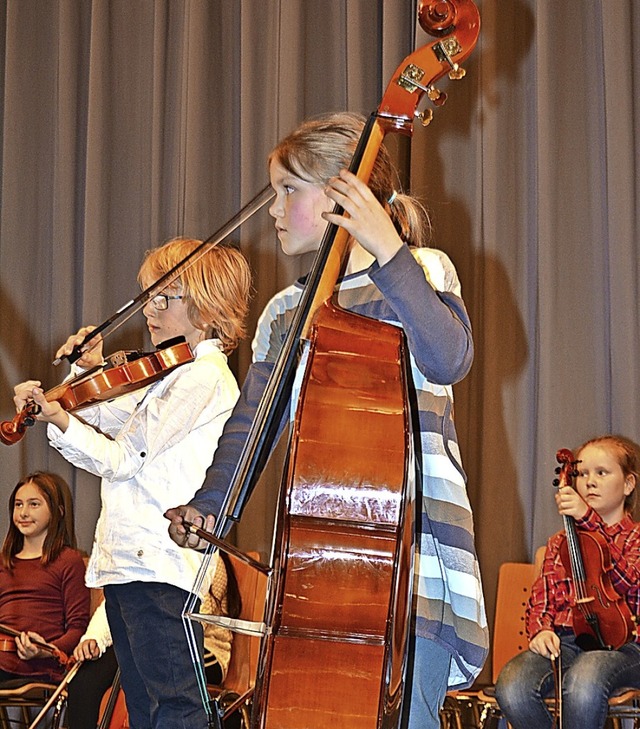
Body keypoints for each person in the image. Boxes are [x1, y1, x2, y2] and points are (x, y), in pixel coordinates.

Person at [165, 112, 488, 729]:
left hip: (416, 561)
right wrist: (211, 507)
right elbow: (250, 429)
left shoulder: (421, 270)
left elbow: (449, 358)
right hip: (322, 572)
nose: (274, 208)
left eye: (290, 189)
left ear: (345, 194)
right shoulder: (289, 310)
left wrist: (389, 251)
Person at [12, 237, 252, 729]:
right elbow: (110, 410)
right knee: (145, 709)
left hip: (158, 564)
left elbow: (121, 457)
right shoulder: (171, 373)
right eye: (149, 297)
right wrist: (86, 371)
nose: (151, 309)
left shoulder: (203, 377)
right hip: (130, 565)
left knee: (175, 709)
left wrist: (58, 417)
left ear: (207, 305)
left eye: (166, 296)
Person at [495, 434, 640, 729]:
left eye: (602, 472)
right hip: (568, 642)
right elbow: (542, 598)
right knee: (513, 686)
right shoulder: (560, 542)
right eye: (582, 473)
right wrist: (541, 631)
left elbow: (627, 581)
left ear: (628, 484)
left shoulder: (636, 538)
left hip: (627, 646)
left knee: (584, 680)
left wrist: (589, 519)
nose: (589, 482)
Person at [66, 550, 240, 729]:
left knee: (149, 661)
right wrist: (95, 638)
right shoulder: (144, 547)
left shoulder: (206, 554)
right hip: (150, 637)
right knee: (87, 676)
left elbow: (190, 622)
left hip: (202, 650)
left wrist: (141, 636)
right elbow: (121, 600)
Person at [0, 471, 90, 684]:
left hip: (42, 666)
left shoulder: (69, 560)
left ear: (57, 512)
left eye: (34, 504)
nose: (23, 513)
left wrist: (47, 650)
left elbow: (78, 627)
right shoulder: (3, 562)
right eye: (18, 504)